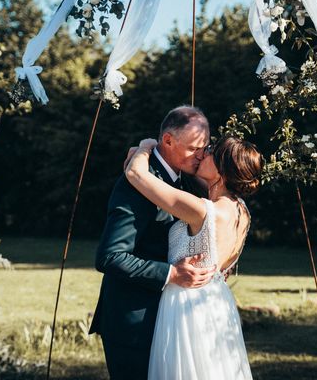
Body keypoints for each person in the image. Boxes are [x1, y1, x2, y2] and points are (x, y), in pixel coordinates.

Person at [89, 106, 217, 380]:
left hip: (169, 318)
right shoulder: (135, 184)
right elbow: (110, 257)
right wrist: (172, 274)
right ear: (168, 140)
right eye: (194, 148)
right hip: (133, 321)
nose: (201, 155)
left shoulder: (186, 180)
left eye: (204, 147)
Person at [125, 134, 264, 379]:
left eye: (210, 151)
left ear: (221, 171)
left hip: (187, 303)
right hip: (218, 301)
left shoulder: (201, 210)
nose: (203, 153)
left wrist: (147, 145)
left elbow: (136, 175)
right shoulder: (241, 209)